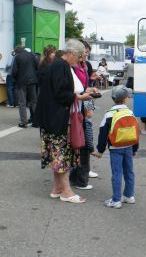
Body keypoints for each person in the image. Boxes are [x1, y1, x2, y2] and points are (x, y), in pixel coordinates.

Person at [34, 39, 95, 204]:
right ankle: (66, 191)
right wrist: (80, 97)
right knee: (61, 155)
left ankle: (57, 188)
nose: (81, 59)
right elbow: (61, 93)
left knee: (57, 154)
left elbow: (60, 90)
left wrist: (83, 92)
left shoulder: (58, 64)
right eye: (80, 56)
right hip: (57, 118)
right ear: (72, 53)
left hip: (52, 118)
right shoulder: (61, 65)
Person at [95, 85, 138, 209]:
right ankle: (129, 196)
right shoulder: (130, 112)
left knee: (117, 173)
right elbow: (135, 131)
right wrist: (135, 148)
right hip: (129, 146)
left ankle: (116, 200)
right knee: (129, 171)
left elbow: (103, 133)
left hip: (115, 148)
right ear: (125, 99)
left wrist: (100, 150)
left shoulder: (109, 114)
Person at [69, 43, 98, 189]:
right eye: (84, 52)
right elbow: (76, 91)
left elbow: (83, 86)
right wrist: (86, 101)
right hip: (78, 108)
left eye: (86, 52)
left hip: (82, 105)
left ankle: (81, 174)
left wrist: (90, 90)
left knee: (82, 142)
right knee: (83, 142)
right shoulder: (73, 66)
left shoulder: (84, 65)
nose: (85, 54)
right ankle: (80, 178)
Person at [12, 46, 38, 128]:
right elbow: (37, 66)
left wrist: (16, 79)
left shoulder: (17, 57)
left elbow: (14, 71)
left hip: (21, 82)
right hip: (33, 81)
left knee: (22, 102)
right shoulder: (32, 55)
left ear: (17, 51)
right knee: (34, 101)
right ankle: (36, 122)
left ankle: (24, 122)